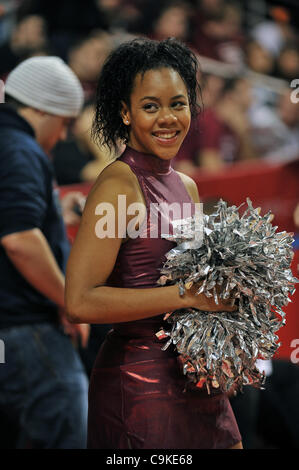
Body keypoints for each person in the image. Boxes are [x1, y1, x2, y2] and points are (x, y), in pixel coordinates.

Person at [65, 37, 242, 449]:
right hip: (140, 385)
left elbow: (202, 294)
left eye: (177, 104)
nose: (168, 118)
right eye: (150, 106)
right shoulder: (118, 185)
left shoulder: (189, 187)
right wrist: (185, 295)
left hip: (197, 374)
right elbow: (80, 301)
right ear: (125, 113)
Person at [0, 56, 89, 448]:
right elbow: (19, 238)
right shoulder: (20, 149)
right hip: (28, 330)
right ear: (39, 107)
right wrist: (71, 299)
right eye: (64, 122)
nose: (64, 135)